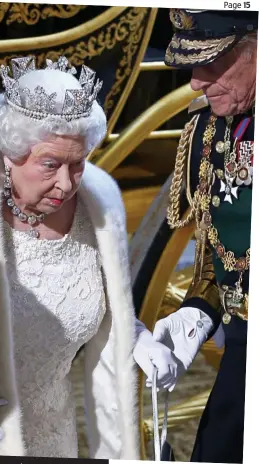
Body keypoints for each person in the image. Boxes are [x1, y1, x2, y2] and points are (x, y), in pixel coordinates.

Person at [0, 55, 164, 458]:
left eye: (79, 164)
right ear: (8, 153)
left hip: (56, 434)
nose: (66, 183)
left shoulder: (96, 210)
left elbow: (108, 312)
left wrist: (137, 337)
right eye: (50, 164)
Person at [142, 9, 257, 464]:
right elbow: (217, 254)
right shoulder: (209, 132)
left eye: (211, 62)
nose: (194, 82)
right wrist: (196, 312)